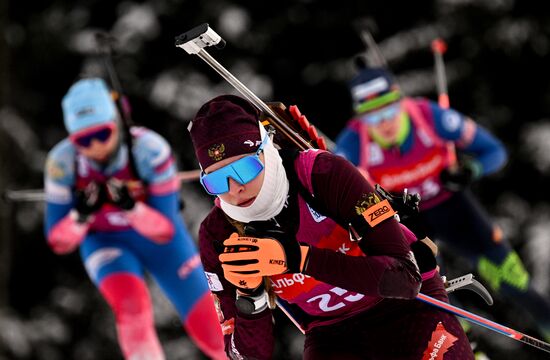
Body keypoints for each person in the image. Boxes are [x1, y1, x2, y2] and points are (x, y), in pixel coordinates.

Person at [188, 94, 475, 359]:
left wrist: (295, 258)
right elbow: (247, 355)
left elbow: (404, 279)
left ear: (266, 149)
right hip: (333, 334)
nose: (235, 188)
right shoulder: (219, 234)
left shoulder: (322, 174)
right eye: (216, 180)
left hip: (407, 309)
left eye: (245, 168)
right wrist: (250, 297)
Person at [334, 66, 550, 341]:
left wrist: (470, 169)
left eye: (388, 110)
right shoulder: (352, 144)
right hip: (409, 221)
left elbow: (495, 152)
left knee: (511, 278)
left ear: (401, 102)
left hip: (454, 207)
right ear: (360, 118)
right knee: (433, 291)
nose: (384, 123)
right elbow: (339, 199)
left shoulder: (429, 117)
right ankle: (467, 345)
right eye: (372, 116)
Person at [44, 78, 225, 360]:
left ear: (115, 123)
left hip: (165, 246)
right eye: (82, 140)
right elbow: (58, 241)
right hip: (105, 243)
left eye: (101, 134)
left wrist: (130, 207)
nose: (94, 147)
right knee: (131, 308)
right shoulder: (62, 163)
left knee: (214, 331)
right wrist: (80, 216)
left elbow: (164, 229)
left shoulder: (149, 150)